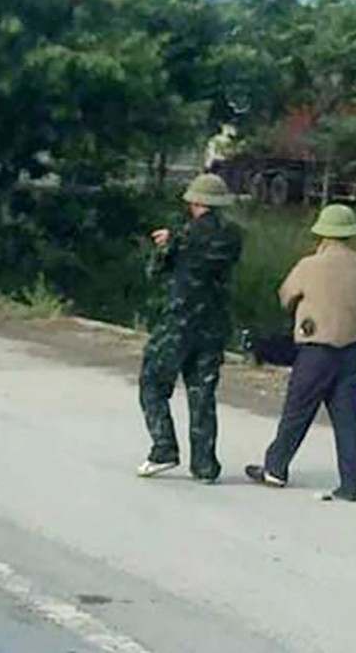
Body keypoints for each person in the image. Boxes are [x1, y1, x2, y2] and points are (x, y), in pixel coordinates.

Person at [246, 204, 356, 502]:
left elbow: (286, 295)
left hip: (316, 350)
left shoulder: (309, 265)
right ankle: (351, 485)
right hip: (352, 349)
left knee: (297, 412)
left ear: (322, 234)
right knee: (348, 420)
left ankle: (275, 468)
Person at [137, 172, 242, 483]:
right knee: (202, 392)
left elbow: (154, 272)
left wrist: (163, 245)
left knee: (153, 383)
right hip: (214, 325)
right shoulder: (233, 236)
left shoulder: (182, 235)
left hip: (178, 324)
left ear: (195, 201)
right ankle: (205, 464)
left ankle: (164, 447)